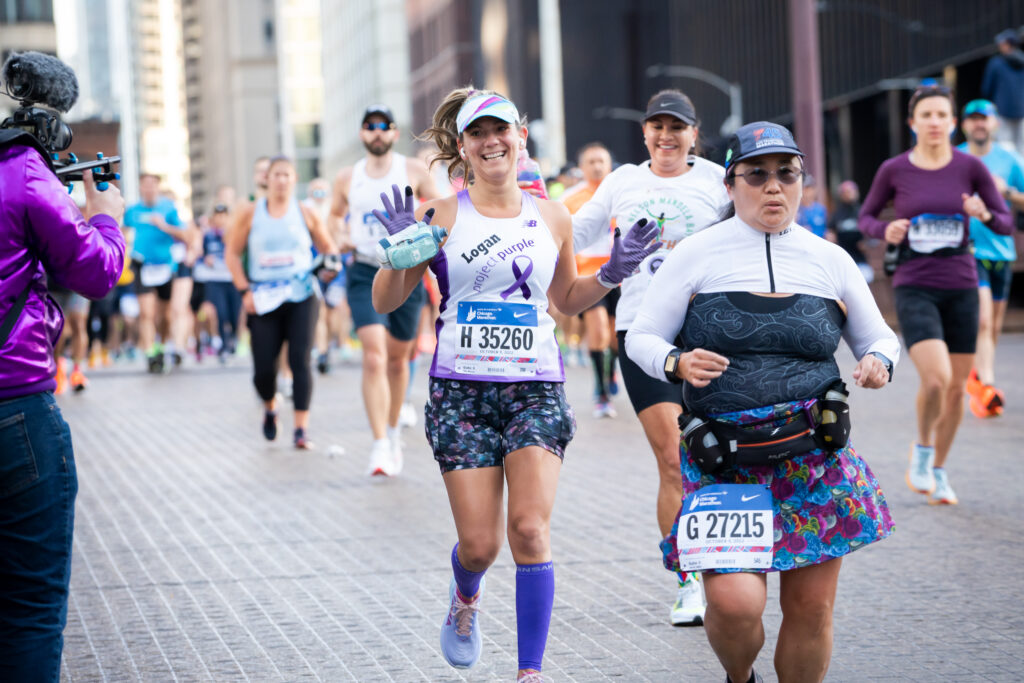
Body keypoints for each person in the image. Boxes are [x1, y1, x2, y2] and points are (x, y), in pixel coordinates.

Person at [371, 88, 658, 682]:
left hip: (535, 389)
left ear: (521, 136)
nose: (492, 142)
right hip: (462, 394)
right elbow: (385, 301)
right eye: (478, 134)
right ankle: (466, 595)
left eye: (501, 130)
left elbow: (566, 302)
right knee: (480, 546)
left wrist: (611, 272)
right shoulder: (442, 215)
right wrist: (400, 254)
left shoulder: (551, 215)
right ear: (463, 147)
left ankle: (530, 672)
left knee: (529, 528)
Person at [626, 121, 900, 683]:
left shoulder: (830, 258)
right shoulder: (697, 252)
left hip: (813, 455)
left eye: (786, 174)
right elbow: (641, 336)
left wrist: (879, 362)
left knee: (811, 609)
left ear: (802, 181)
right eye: (757, 174)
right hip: (725, 461)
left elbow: (878, 336)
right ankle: (739, 678)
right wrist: (676, 362)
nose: (773, 187)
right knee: (734, 606)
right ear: (731, 185)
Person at [572, 89, 730, 625]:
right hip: (643, 334)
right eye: (657, 127)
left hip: (714, 335)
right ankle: (689, 582)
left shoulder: (717, 181)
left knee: (722, 459)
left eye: (677, 127)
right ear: (644, 133)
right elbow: (570, 233)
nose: (666, 136)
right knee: (672, 459)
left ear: (693, 133)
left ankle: (729, 570)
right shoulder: (621, 182)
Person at [0, 129, 126, 681]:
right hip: (14, 405)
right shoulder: (21, 172)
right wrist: (105, 215)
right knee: (28, 609)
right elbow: (95, 271)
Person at [859, 85, 1013, 505]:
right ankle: (923, 447)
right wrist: (884, 231)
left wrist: (983, 213)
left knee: (957, 388)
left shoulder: (970, 167)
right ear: (913, 123)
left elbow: (1004, 220)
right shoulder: (895, 169)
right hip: (914, 282)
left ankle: (937, 469)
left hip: (961, 281)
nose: (933, 122)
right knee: (938, 378)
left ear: (951, 122)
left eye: (941, 114)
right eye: (925, 115)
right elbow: (866, 217)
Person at [329, 104, 440, 476]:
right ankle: (378, 443)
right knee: (374, 356)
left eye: (384, 126)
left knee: (396, 360)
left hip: (406, 271)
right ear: (362, 133)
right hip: (364, 269)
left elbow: (440, 209)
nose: (377, 132)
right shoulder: (348, 176)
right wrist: (340, 236)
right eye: (370, 126)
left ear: (394, 133)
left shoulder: (413, 170)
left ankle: (392, 431)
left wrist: (422, 230)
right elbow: (333, 216)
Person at [226, 156, 340, 449]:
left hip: (301, 293)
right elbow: (232, 254)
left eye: (287, 175)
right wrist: (244, 292)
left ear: (294, 179)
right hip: (262, 297)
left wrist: (329, 266)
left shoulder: (305, 211)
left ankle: (301, 429)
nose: (281, 180)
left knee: (299, 359)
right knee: (263, 368)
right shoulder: (251, 213)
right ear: (268, 179)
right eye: (276, 175)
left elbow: (329, 248)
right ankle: (270, 407)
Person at [956, 99, 1024, 417]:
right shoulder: (956, 158)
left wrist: (1006, 192)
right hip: (969, 250)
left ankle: (979, 379)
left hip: (1002, 250)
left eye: (984, 119)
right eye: (973, 119)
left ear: (995, 123)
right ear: (964, 124)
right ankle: (987, 385)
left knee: (993, 326)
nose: (978, 124)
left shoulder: (1010, 160)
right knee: (982, 320)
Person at [563, 141, 619, 417]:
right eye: (591, 161)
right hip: (590, 277)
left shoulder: (621, 194)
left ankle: (610, 375)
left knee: (616, 338)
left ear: (609, 165)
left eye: (602, 161)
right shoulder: (570, 199)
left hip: (622, 277)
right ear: (582, 167)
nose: (597, 166)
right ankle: (602, 392)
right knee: (598, 332)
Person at [124, 173, 189, 373]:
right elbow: (124, 231)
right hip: (142, 264)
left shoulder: (169, 208)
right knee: (146, 313)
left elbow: (184, 234)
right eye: (145, 185)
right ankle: (150, 352)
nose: (149, 189)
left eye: (153, 185)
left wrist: (164, 226)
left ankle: (161, 346)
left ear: (158, 188)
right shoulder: (133, 211)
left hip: (165, 267)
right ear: (141, 188)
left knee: (165, 316)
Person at [305, 177, 353, 373]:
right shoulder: (306, 213)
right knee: (320, 311)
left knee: (336, 310)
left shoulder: (337, 213)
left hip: (335, 268)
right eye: (315, 191)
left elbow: (346, 237)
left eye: (322, 191)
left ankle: (337, 342)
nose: (319, 195)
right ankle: (322, 351)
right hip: (313, 268)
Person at [197, 203, 241, 361]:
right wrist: (205, 259)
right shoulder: (208, 235)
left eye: (224, 216)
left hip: (232, 279)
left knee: (234, 314)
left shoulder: (235, 234)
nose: (221, 219)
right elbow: (200, 254)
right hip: (215, 279)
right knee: (220, 312)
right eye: (218, 215)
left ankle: (234, 338)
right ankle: (224, 344)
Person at [982, 29, 1024, 153]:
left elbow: (987, 88)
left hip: (1002, 110)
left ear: (1008, 44)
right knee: (1022, 147)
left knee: (1004, 145)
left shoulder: (996, 63)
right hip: (1022, 110)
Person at [827, 180, 873, 282]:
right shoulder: (837, 214)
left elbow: (872, 237)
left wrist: (867, 243)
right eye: (847, 192)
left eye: (852, 191)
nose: (850, 194)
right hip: (843, 261)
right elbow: (830, 232)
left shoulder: (862, 211)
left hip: (861, 261)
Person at [795, 173, 827, 238]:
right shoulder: (795, 209)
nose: (806, 192)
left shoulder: (820, 209)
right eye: (804, 188)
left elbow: (825, 230)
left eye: (809, 188)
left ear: (814, 190)